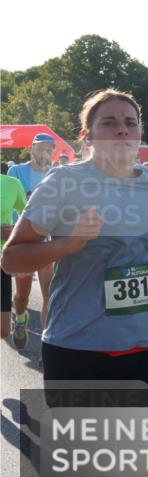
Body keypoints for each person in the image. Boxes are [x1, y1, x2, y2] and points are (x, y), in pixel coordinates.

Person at [1, 88, 148, 477]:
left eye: (129, 122)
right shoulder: (64, 184)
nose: (121, 129)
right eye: (109, 122)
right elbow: (12, 258)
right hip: (78, 349)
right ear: (87, 135)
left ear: (140, 133)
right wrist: (68, 243)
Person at [7, 133, 56, 345]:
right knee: (22, 295)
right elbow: (11, 204)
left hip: (47, 241)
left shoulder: (55, 174)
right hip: (24, 240)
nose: (44, 152)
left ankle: (47, 343)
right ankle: (20, 318)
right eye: (41, 147)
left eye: (49, 148)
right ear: (32, 148)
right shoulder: (16, 171)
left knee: (49, 292)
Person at [1, 171, 27, 347]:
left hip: (2, 259)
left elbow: (27, 217)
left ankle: (21, 316)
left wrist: (15, 231)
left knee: (3, 330)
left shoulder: (11, 183)